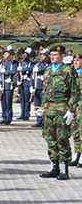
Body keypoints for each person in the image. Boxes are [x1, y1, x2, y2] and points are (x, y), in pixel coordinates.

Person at [38, 45, 79, 180]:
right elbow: (45, 91)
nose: (52, 57)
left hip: (61, 111)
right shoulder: (48, 70)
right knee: (50, 139)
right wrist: (42, 108)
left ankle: (64, 169)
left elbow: (75, 92)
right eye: (51, 55)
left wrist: (71, 110)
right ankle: (54, 167)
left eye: (56, 55)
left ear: (62, 56)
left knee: (62, 139)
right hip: (48, 111)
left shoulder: (68, 70)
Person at [0, 46, 18, 125]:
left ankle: (8, 118)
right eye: (4, 54)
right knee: (3, 102)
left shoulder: (13, 63)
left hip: (9, 84)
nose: (5, 55)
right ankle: (4, 117)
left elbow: (14, 71)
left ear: (10, 55)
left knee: (8, 102)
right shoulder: (2, 64)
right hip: (3, 84)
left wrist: (5, 72)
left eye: (7, 54)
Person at [32, 49, 50, 128]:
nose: (41, 57)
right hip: (37, 87)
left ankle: (44, 120)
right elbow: (32, 76)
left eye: (43, 55)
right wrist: (31, 86)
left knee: (44, 105)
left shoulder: (48, 65)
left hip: (44, 88)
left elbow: (46, 69)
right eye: (40, 55)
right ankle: (39, 120)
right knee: (37, 105)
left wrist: (39, 70)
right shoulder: (37, 65)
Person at [70, 54, 82, 167]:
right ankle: (77, 154)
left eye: (78, 60)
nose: (75, 62)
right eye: (74, 60)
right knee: (75, 132)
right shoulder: (72, 75)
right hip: (74, 109)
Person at [18, 48, 35, 121]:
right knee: (22, 99)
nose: (24, 56)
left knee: (27, 99)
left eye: (26, 55)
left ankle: (26, 114)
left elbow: (31, 70)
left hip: (28, 83)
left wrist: (23, 70)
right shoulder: (21, 63)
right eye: (24, 55)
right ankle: (22, 114)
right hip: (22, 82)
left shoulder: (32, 64)